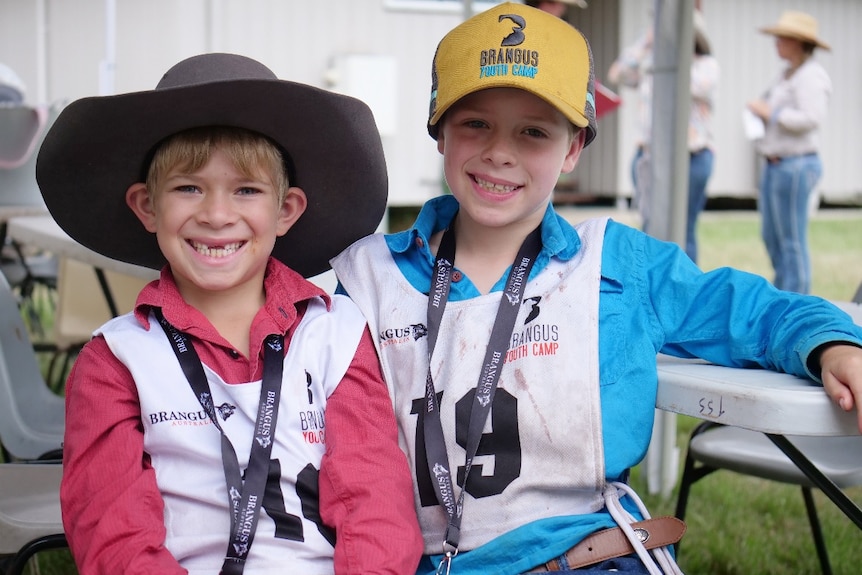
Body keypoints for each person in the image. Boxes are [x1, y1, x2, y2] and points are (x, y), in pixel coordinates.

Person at [330, 4, 862, 574]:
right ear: (439, 130)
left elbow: (747, 308)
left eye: (533, 131)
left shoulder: (617, 264)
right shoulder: (368, 279)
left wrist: (829, 343)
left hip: (588, 559)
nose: (500, 152)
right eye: (475, 123)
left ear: (574, 147)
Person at [36, 53, 423, 574]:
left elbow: (375, 508)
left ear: (285, 210)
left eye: (246, 190)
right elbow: (112, 538)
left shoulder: (336, 336)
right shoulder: (116, 362)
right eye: (188, 187)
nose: (217, 215)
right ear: (147, 206)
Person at [607, 9, 719, 264]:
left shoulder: (705, 66)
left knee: (684, 227)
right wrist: (645, 42)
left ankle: (685, 291)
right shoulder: (651, 63)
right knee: (650, 227)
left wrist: (664, 58)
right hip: (648, 155)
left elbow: (686, 83)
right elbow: (619, 73)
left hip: (692, 157)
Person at [747, 11, 832, 294]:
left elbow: (810, 118)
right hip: (776, 165)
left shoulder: (811, 76)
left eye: (782, 37)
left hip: (795, 166)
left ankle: (798, 308)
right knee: (772, 237)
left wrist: (770, 113)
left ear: (798, 42)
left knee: (792, 242)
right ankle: (784, 298)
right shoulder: (786, 74)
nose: (776, 42)